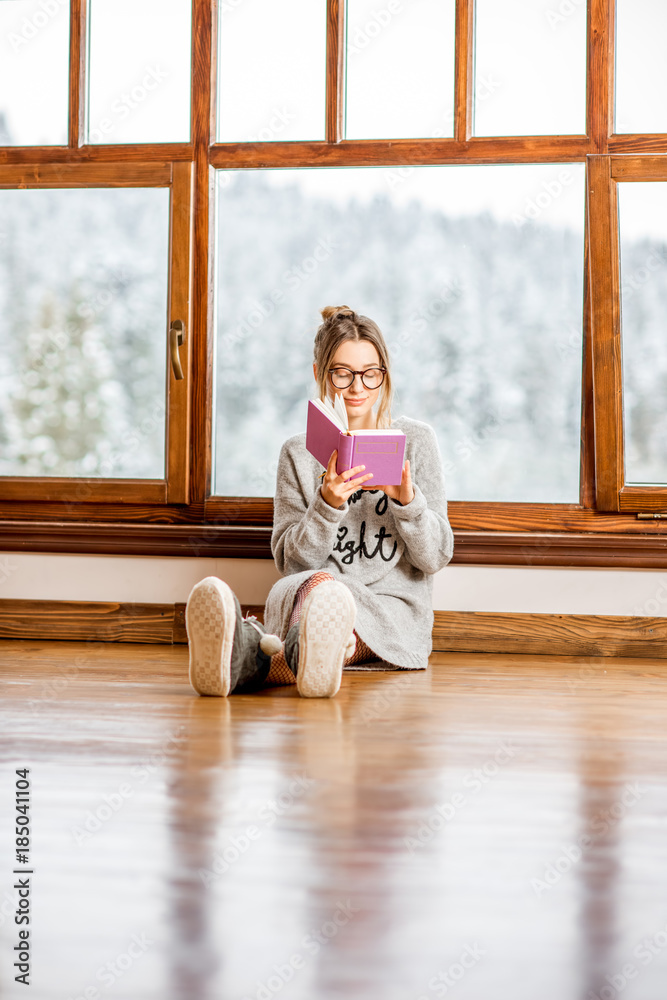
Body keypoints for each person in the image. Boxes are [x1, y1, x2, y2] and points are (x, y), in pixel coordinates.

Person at [185, 305, 454, 698]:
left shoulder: (416, 442)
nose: (358, 387)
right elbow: (292, 563)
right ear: (319, 373)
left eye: (370, 373)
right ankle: (311, 654)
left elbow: (435, 557)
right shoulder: (297, 452)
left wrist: (408, 502)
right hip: (309, 594)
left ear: (385, 375)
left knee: (334, 621)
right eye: (343, 373)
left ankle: (247, 657)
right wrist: (327, 504)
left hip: (388, 607)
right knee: (323, 594)